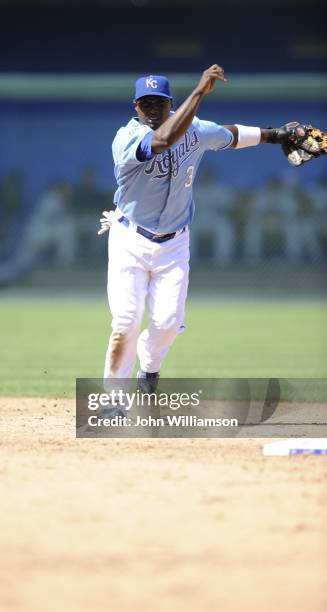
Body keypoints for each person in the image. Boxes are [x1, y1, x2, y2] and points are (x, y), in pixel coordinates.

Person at [100, 65, 307, 399]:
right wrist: (199, 91)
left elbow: (230, 135)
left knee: (167, 324)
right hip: (129, 239)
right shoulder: (126, 138)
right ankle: (113, 401)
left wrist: (276, 134)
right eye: (145, 103)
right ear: (135, 107)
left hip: (174, 245)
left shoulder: (196, 130)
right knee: (126, 321)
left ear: (171, 104)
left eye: (159, 102)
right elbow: (163, 140)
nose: (152, 109)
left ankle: (149, 369)